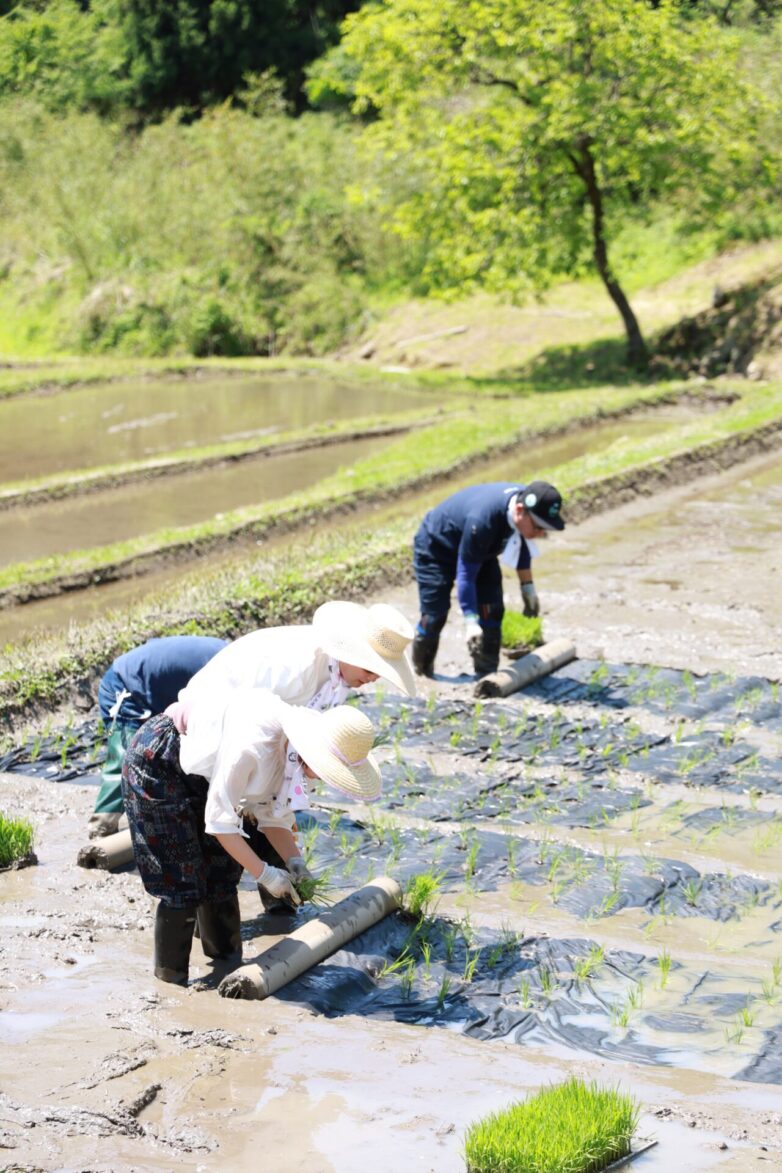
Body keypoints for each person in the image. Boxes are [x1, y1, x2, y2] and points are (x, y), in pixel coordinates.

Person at [121, 692, 381, 986]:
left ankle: (227, 964)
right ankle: (171, 981)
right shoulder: (255, 748)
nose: (323, 778)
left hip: (204, 773)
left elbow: (271, 813)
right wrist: (265, 874)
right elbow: (219, 824)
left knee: (222, 872)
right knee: (182, 878)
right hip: (160, 761)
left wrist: (294, 861)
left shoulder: (293, 753)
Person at [411, 480, 565, 678]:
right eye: (538, 527)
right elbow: (466, 575)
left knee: (491, 609)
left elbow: (522, 544)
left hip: (479, 549)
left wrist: (528, 588)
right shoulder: (483, 520)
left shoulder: (524, 502)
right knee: (435, 615)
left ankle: (486, 678)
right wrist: (470, 621)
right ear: (520, 511)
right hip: (436, 548)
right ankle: (422, 674)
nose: (541, 533)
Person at [88, 635, 228, 839]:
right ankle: (101, 828)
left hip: (157, 687)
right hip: (126, 687)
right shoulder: (225, 674)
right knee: (127, 758)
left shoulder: (230, 660)